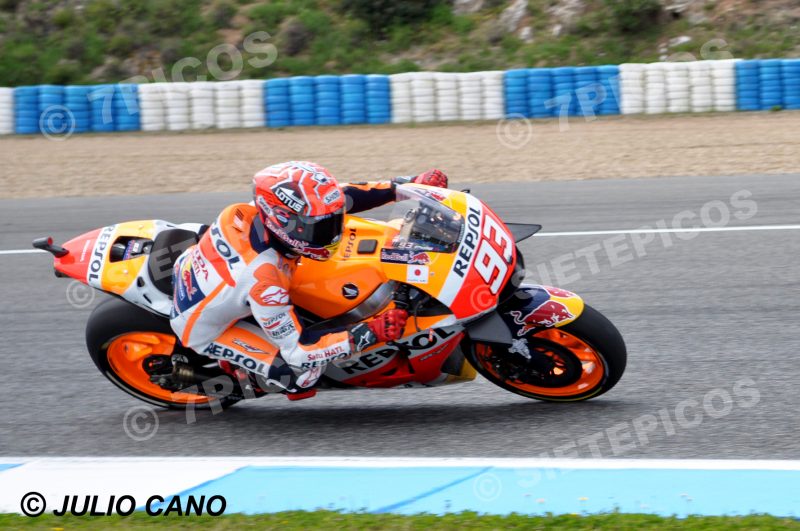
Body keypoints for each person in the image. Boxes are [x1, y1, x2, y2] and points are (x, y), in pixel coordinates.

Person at [169, 161, 448, 398]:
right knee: (301, 375)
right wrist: (372, 332)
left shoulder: (266, 211)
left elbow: (345, 196)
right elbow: (300, 350)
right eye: (321, 228)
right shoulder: (265, 280)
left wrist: (408, 186)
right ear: (284, 222)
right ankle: (242, 376)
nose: (333, 231)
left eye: (332, 221)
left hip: (215, 274)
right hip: (205, 327)